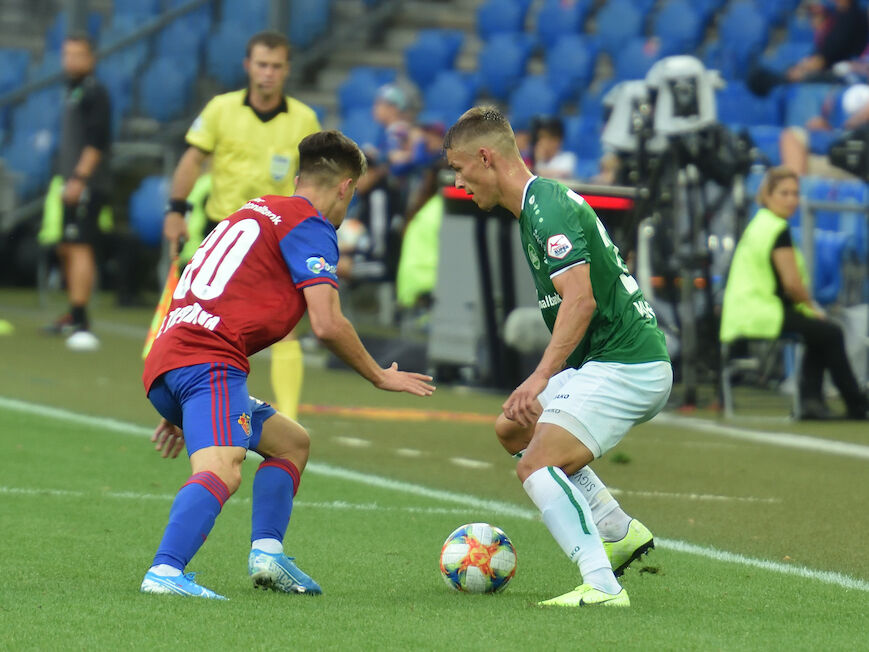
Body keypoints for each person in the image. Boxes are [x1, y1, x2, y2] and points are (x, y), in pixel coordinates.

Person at [140, 130, 435, 600]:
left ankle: (268, 556)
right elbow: (327, 323)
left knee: (291, 443)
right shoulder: (310, 225)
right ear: (345, 187)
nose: (349, 204)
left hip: (172, 356)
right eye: (353, 194)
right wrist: (380, 375)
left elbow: (205, 290)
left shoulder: (253, 210)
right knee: (223, 469)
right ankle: (165, 571)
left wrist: (177, 400)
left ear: (299, 178)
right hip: (208, 362)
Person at [443, 107, 672, 608]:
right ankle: (615, 530)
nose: (459, 182)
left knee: (537, 464)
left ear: (485, 157)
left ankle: (602, 584)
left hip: (627, 363)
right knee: (513, 429)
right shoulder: (533, 210)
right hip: (605, 362)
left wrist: (540, 376)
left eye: (459, 169)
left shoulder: (546, 207)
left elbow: (581, 300)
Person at [162, 30, 320, 422]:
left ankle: (290, 416)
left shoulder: (304, 119)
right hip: (224, 236)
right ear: (248, 66)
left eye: (276, 66)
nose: (268, 73)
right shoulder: (221, 109)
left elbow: (316, 179)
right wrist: (175, 209)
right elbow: (192, 159)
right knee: (205, 321)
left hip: (277, 236)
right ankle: (190, 403)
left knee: (286, 327)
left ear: (287, 69)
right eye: (262, 65)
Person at [720, 166, 868, 420]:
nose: (791, 199)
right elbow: (792, 284)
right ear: (766, 195)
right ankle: (855, 404)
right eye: (784, 193)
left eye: (795, 193)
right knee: (830, 332)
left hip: (744, 312)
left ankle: (812, 402)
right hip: (760, 312)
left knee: (819, 333)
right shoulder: (777, 229)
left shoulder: (759, 224)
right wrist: (812, 308)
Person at [47, 33, 111, 351]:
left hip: (86, 183)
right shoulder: (72, 91)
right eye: (67, 54)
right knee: (68, 246)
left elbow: (97, 141)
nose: (71, 60)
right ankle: (74, 312)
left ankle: (81, 318)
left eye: (78, 55)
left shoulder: (94, 93)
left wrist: (79, 179)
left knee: (81, 245)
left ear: (91, 58)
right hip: (72, 180)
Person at [780, 83, 869, 178]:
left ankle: (794, 186)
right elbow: (848, 129)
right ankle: (794, 187)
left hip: (861, 166)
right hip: (847, 153)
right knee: (792, 136)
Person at [530, 116, 577, 181]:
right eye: (540, 138)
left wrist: (539, 162)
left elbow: (558, 176)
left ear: (557, 140)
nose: (542, 142)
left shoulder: (568, 158)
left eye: (546, 137)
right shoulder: (535, 158)